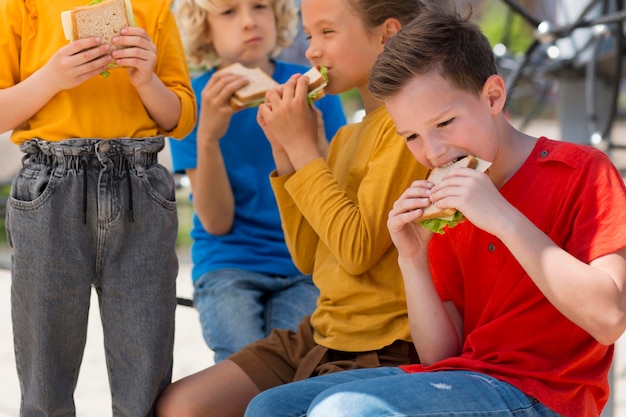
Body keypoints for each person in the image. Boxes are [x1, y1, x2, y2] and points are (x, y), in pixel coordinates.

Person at [242, 4, 626, 417]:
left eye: (444, 123)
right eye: (411, 136)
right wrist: (412, 258)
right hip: (461, 375)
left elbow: (608, 318)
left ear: (493, 96)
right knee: (271, 407)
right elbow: (439, 352)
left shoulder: (581, 171)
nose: (433, 151)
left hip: (547, 393)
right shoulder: (442, 199)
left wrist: (502, 217)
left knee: (344, 409)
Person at [155, 0, 428, 415]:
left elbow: (355, 252)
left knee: (263, 408)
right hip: (321, 333)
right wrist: (286, 155)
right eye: (309, 36)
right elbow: (309, 257)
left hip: (380, 342)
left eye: (327, 33)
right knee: (180, 406)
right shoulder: (349, 137)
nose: (312, 52)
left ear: (387, 34)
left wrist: (304, 150)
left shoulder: (409, 131)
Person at [0, 0, 197, 416]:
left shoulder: (155, 7)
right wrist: (51, 79)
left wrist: (147, 80)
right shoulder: (19, 6)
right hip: (49, 189)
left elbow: (181, 116)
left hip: (140, 187)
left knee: (146, 378)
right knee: (44, 376)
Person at [170, 0, 346, 363]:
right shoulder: (191, 103)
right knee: (240, 363)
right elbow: (217, 223)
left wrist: (311, 139)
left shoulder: (315, 89)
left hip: (304, 267)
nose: (249, 21)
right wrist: (208, 138)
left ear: (279, 14)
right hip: (228, 264)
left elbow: (336, 198)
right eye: (229, 12)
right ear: (204, 27)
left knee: (293, 365)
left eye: (260, 6)